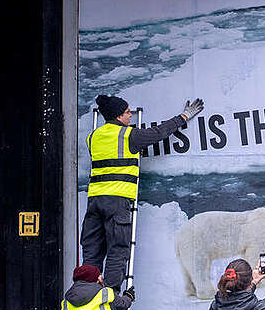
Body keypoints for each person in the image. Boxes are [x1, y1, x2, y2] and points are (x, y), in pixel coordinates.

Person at [81, 94, 204, 291]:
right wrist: (184, 117)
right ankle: (110, 298)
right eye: (127, 112)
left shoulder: (93, 137)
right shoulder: (128, 135)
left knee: (91, 252)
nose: (130, 115)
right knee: (117, 250)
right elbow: (159, 132)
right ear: (118, 116)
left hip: (95, 202)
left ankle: (86, 294)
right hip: (117, 202)